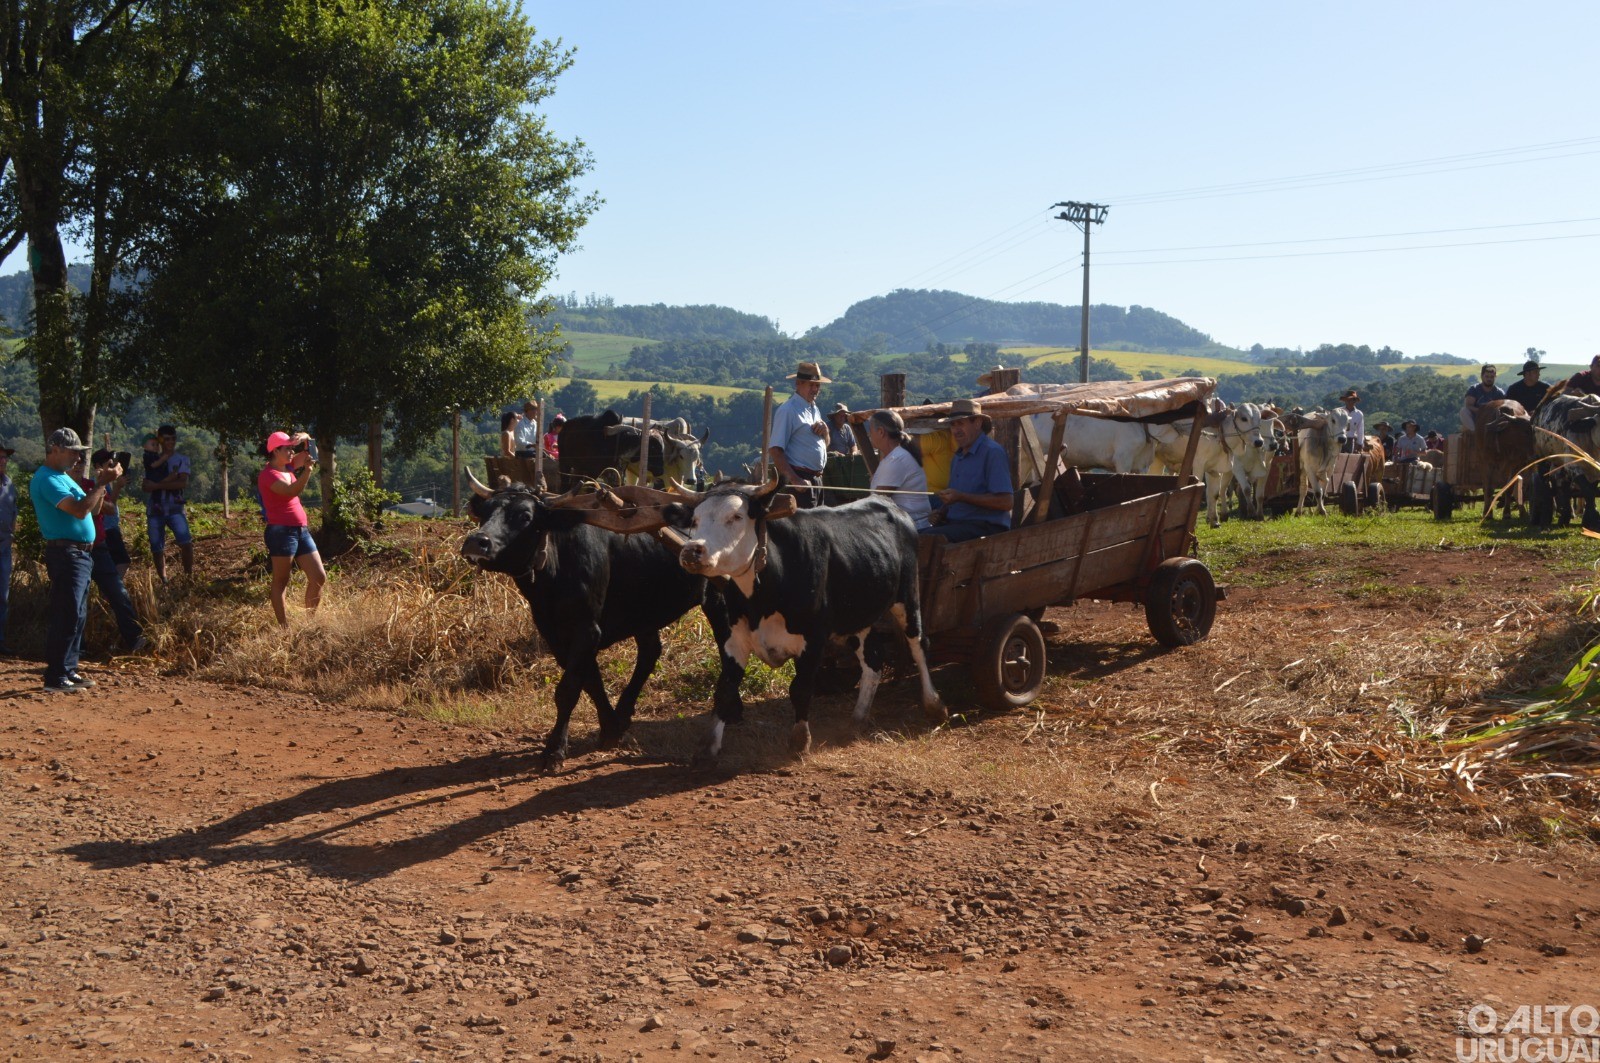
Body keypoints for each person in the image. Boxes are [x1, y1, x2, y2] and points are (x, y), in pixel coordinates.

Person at [32, 428, 119, 692]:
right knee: (67, 613)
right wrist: (102, 483)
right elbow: (81, 511)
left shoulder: (62, 477)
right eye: (73, 452)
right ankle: (55, 676)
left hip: (79, 553)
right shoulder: (48, 479)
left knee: (77, 614)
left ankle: (68, 670)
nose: (77, 459)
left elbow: (93, 508)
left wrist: (103, 486)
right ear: (55, 449)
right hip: (67, 553)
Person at [920, 398, 1012, 543]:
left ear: (977, 423)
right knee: (910, 535)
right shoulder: (958, 456)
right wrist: (941, 512)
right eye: (953, 425)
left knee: (922, 540)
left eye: (961, 423)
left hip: (985, 527)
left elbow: (1006, 502)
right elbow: (956, 497)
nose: (956, 430)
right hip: (959, 524)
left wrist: (961, 497)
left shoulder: (992, 452)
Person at [260, 431, 327, 627]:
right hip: (281, 532)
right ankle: (284, 628)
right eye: (287, 448)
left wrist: (307, 438)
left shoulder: (287, 467)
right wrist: (307, 472)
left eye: (292, 447)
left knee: (318, 576)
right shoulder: (268, 475)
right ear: (275, 451)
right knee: (281, 580)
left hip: (300, 530)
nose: (291, 451)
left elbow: (312, 455)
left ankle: (309, 623)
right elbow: (291, 491)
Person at [81, 450, 144, 653]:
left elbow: (108, 509)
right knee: (78, 600)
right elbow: (96, 509)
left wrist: (107, 488)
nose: (112, 465)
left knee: (119, 593)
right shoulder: (87, 484)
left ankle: (135, 639)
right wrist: (105, 487)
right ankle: (77, 647)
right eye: (108, 463)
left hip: (99, 545)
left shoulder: (94, 484)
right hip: (81, 546)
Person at [768, 361, 831, 509]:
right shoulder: (788, 410)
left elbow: (824, 445)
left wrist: (826, 433)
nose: (815, 389)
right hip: (800, 481)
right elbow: (775, 450)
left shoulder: (815, 409)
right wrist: (795, 480)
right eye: (811, 385)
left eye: (818, 385)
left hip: (816, 481)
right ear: (798, 384)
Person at [142, 424, 193, 581]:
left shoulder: (182, 459)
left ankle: (188, 577)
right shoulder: (152, 458)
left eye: (173, 439)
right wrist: (168, 481)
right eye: (167, 439)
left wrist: (156, 485)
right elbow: (145, 486)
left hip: (175, 508)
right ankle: (163, 579)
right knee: (157, 548)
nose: (170, 442)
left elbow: (182, 483)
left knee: (186, 542)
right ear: (160, 440)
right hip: (156, 509)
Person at [866, 409, 931, 529]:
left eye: (870, 431)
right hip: (903, 526)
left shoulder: (897, 459)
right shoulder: (894, 456)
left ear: (880, 432)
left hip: (911, 529)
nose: (869, 435)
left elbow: (876, 502)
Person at [0, 445, 15, 655]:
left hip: (3, 547)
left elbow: (14, 513)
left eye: (4, 457)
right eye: (0, 457)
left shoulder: (9, 484)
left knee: (2, 596)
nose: (3, 460)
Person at [1460, 365, 1505, 432]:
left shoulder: (1500, 393)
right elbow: (1469, 406)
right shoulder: (1474, 389)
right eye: (1486, 376)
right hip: (1476, 419)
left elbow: (1503, 409)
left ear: (1495, 377)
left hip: (1493, 419)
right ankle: (1475, 433)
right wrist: (1482, 411)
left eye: (1492, 377)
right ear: (1481, 376)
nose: (1489, 379)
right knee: (1464, 411)